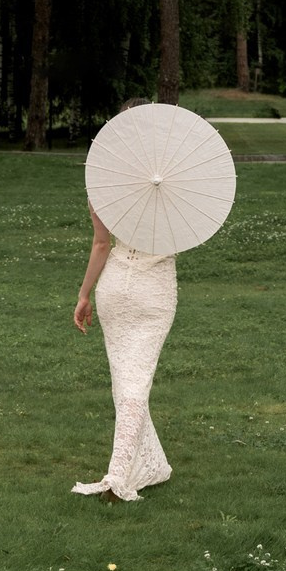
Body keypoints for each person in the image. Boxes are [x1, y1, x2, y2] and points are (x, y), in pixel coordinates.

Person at [72, 199, 176, 501]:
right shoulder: (175, 193)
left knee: (124, 379)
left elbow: (102, 244)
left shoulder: (107, 186)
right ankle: (118, 476)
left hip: (115, 286)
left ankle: (150, 463)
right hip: (154, 289)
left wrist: (83, 293)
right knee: (136, 381)